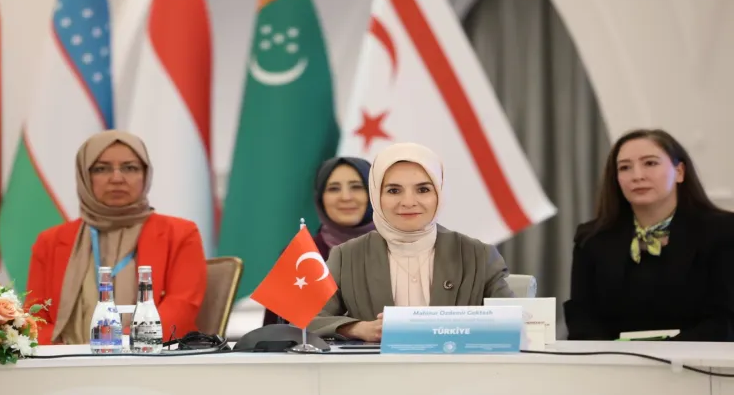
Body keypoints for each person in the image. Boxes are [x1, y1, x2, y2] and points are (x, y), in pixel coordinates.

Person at [308, 143, 513, 341]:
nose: (408, 202)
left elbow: (514, 321)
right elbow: (307, 318)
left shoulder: (478, 255)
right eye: (393, 191)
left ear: (439, 193)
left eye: (423, 190)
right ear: (376, 196)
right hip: (376, 365)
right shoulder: (347, 256)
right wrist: (357, 328)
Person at [25, 131, 207, 345]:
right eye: (101, 169)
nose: (117, 179)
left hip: (148, 357)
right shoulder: (50, 241)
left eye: (130, 168)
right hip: (66, 359)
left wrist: (120, 345)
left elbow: (181, 308)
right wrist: (62, 354)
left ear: (146, 174)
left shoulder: (180, 233)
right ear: (84, 176)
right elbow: (35, 317)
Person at [564, 129, 734, 341]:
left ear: (679, 172)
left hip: (698, 358)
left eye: (650, 163)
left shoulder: (723, 231)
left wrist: (660, 353)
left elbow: (724, 321)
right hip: (613, 359)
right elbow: (582, 317)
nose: (637, 176)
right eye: (625, 167)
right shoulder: (592, 238)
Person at [263, 156, 375, 325]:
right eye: (333, 189)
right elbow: (274, 332)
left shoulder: (397, 248)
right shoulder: (301, 254)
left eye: (357, 187)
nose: (346, 197)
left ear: (374, 192)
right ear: (320, 198)